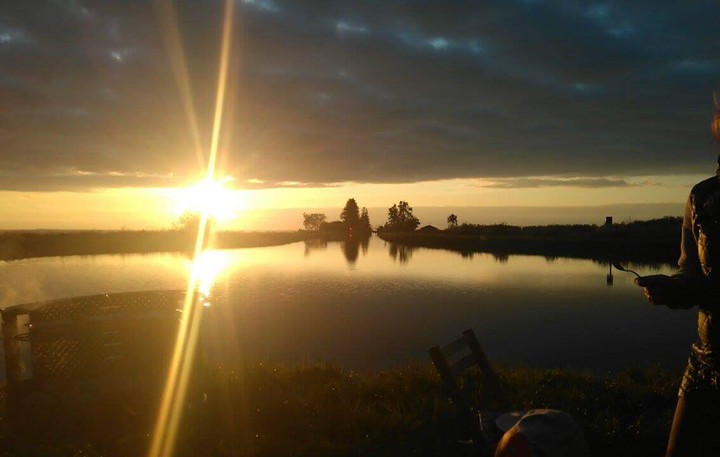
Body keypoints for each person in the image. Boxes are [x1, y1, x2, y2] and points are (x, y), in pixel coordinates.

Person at [635, 105, 720, 456]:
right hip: (706, 362)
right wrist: (672, 289)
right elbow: (692, 275)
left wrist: (694, 290)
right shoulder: (701, 196)